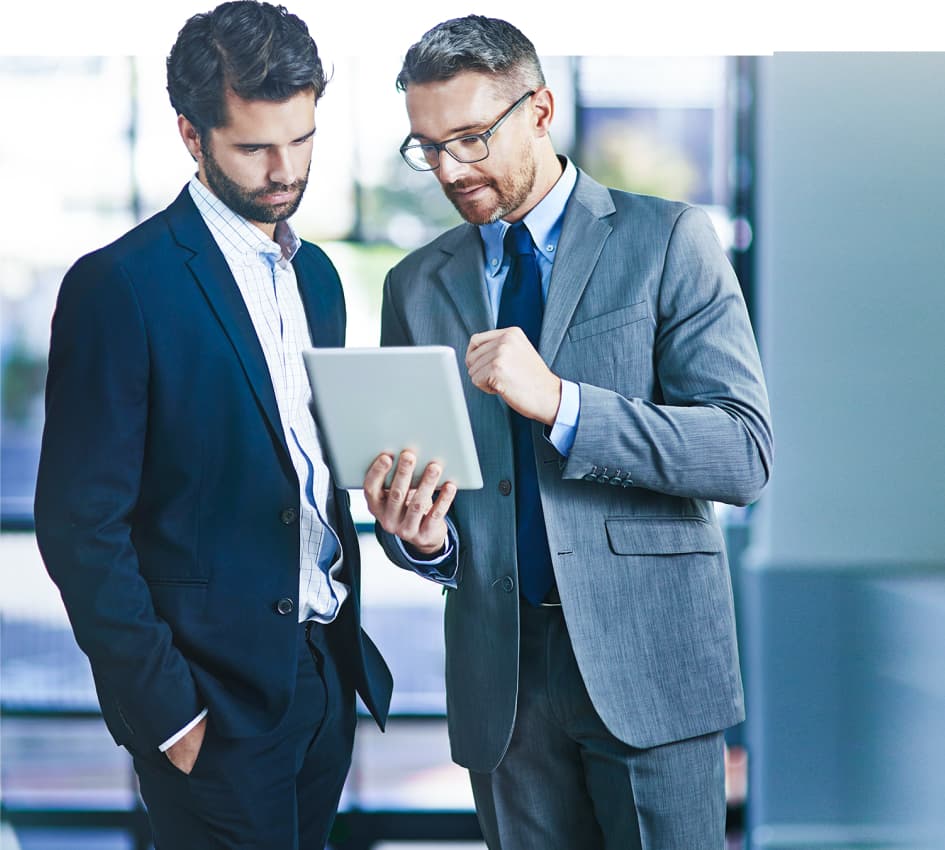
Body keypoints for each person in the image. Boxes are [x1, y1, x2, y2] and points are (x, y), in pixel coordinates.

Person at [363, 15, 773, 849]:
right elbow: (427, 506)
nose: (450, 168)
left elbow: (741, 452)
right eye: (427, 146)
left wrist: (561, 402)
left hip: (648, 668)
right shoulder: (415, 283)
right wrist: (421, 538)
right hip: (501, 678)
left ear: (541, 110)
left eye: (472, 138)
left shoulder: (668, 240)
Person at [33, 2, 392, 847]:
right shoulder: (117, 287)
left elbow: (302, 477)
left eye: (302, 140)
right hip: (207, 707)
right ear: (192, 137)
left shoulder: (323, 281)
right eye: (254, 147)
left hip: (320, 678)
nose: (284, 169)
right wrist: (163, 712)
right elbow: (79, 527)